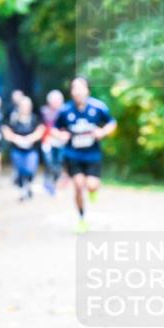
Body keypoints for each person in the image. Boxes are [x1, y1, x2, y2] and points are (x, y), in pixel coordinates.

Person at [53, 77, 117, 233]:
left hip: (92, 154)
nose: (77, 91)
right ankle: (81, 218)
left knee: (92, 185)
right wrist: (60, 135)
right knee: (78, 185)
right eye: (74, 88)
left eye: (81, 88)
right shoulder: (65, 110)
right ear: (71, 92)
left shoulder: (98, 107)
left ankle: (93, 191)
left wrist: (102, 132)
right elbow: (54, 128)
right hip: (73, 154)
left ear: (87, 90)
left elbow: (112, 122)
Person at [3, 96, 45, 201]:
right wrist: (17, 139)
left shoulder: (34, 118)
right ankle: (23, 190)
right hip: (17, 150)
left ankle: (28, 186)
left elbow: (41, 130)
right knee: (20, 171)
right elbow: (6, 130)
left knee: (30, 170)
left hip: (31, 150)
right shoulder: (13, 119)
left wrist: (30, 139)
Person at [39, 89, 66, 195]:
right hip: (48, 141)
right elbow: (43, 126)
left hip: (61, 142)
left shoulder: (65, 111)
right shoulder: (44, 111)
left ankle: (54, 184)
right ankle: (47, 184)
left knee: (58, 163)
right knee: (49, 163)